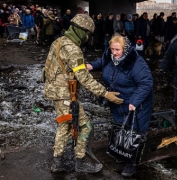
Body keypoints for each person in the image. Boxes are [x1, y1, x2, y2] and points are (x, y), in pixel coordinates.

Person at [43, 14, 124, 173]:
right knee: (86, 126)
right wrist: (105, 93)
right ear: (80, 31)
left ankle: (57, 163)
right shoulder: (73, 49)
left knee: (64, 126)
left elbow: (48, 68)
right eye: (87, 33)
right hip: (64, 95)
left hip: (56, 92)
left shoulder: (59, 41)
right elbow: (84, 78)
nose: (88, 37)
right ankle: (80, 162)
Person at [86, 34, 153, 177]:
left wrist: (134, 101)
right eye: (112, 49)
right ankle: (122, 152)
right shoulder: (110, 56)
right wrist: (90, 66)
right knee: (121, 127)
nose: (114, 53)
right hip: (118, 102)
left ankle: (132, 162)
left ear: (126, 48)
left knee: (134, 132)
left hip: (136, 104)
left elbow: (146, 83)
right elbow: (102, 62)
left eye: (118, 50)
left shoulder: (136, 62)